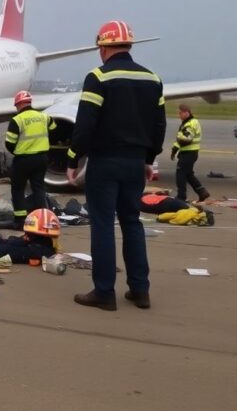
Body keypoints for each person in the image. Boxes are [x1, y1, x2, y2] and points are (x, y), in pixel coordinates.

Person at [66, 20, 166, 311]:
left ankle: (104, 292)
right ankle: (140, 290)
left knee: (103, 225)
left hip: (105, 162)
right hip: (135, 162)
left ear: (104, 47)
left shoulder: (98, 77)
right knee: (132, 222)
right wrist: (149, 158)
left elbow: (85, 125)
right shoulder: (152, 78)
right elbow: (159, 125)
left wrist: (73, 158)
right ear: (129, 45)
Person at [5, 90, 56, 226]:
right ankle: (42, 219)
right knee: (38, 187)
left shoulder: (17, 120)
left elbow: (9, 143)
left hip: (23, 160)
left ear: (19, 105)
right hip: (42, 158)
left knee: (18, 189)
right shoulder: (44, 117)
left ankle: (20, 220)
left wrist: (18, 151)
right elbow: (55, 129)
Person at [170, 104, 210, 202]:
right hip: (191, 153)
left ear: (186, 112)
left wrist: (176, 147)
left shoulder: (189, 124)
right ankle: (202, 192)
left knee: (180, 174)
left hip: (188, 153)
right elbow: (181, 139)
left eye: (180, 113)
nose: (179, 115)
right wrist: (176, 146)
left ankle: (181, 196)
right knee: (188, 174)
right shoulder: (192, 122)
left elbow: (187, 139)